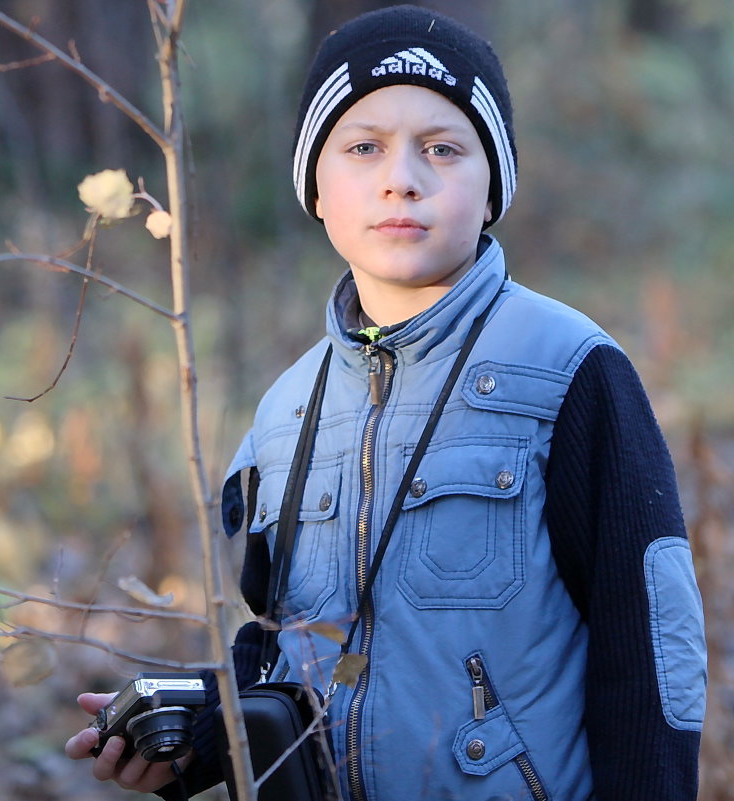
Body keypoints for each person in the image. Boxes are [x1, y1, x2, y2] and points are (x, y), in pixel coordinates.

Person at [66, 5, 708, 800]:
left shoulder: (570, 370)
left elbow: (653, 649)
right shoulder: (286, 412)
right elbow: (295, 652)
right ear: (318, 188)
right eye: (363, 147)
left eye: (443, 148)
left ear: (492, 187)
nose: (402, 177)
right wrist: (196, 733)